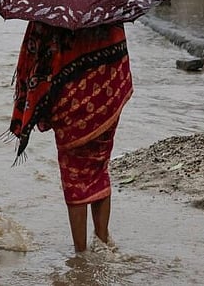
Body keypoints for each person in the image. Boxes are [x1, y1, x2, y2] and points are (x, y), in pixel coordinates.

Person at [8, 21, 133, 254]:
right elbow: (119, 56)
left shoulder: (49, 13)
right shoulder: (108, 10)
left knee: (74, 177)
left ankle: (80, 254)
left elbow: (36, 59)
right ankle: (103, 242)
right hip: (106, 100)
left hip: (68, 105)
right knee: (98, 168)